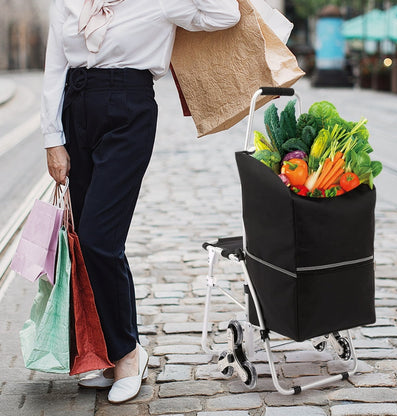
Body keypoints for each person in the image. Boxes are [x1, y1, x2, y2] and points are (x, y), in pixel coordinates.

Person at [41, 0, 240, 405]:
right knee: (85, 242)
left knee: (100, 239)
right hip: (75, 106)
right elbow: (54, 64)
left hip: (129, 112)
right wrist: (52, 139)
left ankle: (128, 353)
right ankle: (103, 353)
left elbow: (227, 14)